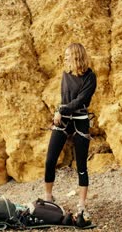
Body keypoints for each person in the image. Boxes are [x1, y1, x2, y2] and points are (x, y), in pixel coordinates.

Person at [44, 43, 97, 221]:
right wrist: (60, 112)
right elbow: (65, 98)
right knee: (50, 160)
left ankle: (81, 205)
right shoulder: (66, 74)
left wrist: (62, 110)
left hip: (81, 121)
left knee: (81, 166)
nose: (65, 58)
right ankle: (48, 198)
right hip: (64, 120)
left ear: (76, 56)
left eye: (68, 55)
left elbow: (81, 100)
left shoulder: (90, 77)